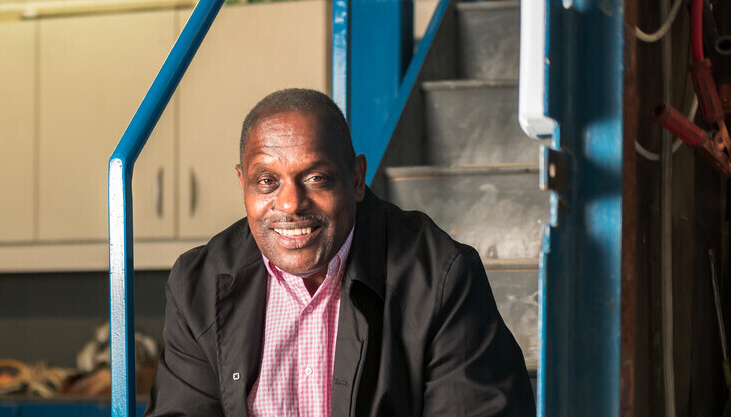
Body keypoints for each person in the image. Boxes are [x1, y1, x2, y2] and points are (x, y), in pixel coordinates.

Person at [145, 89, 534, 416]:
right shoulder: (198, 284)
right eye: (267, 181)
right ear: (242, 184)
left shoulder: (441, 277)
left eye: (316, 178)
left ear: (357, 179)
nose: (291, 203)